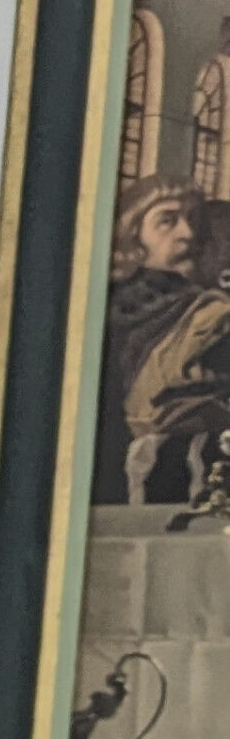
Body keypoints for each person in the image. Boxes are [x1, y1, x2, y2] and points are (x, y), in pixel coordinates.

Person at [115, 181, 230, 504]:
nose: (188, 234)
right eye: (167, 220)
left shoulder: (208, 311)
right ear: (132, 233)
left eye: (194, 221)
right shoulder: (107, 312)